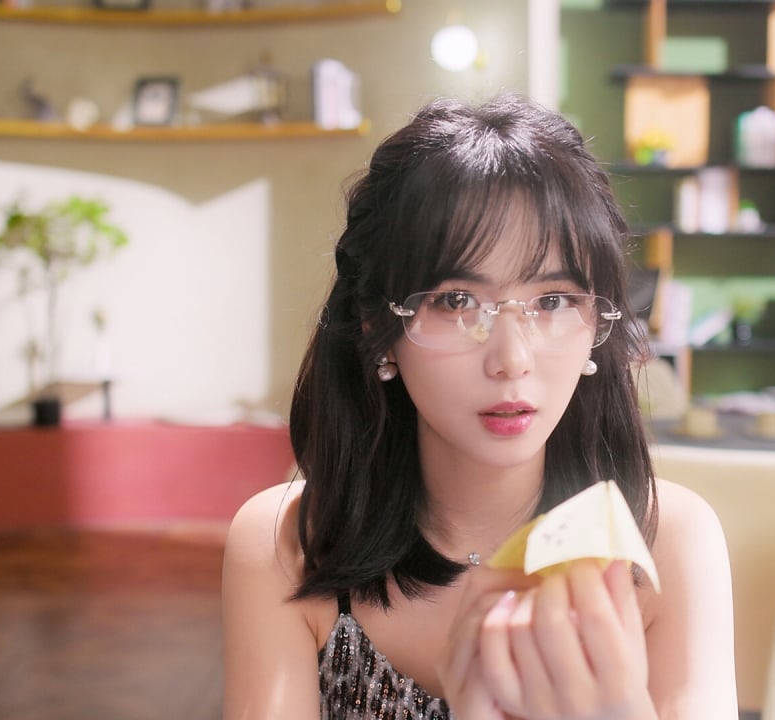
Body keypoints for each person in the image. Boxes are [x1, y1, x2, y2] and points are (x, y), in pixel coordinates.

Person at [223, 94, 737, 719]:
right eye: (457, 301)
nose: (511, 359)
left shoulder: (664, 541)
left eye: (552, 301)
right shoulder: (285, 546)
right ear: (376, 326)